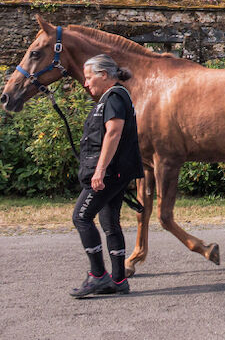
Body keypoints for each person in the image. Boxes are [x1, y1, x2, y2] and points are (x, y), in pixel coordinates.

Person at [69, 54, 143, 298]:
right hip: (116, 171)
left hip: (110, 173)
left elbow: (114, 132)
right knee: (110, 224)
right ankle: (119, 280)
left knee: (81, 217)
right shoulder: (115, 97)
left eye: (89, 77)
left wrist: (99, 171)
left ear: (103, 75)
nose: (86, 83)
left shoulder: (114, 96)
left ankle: (98, 276)